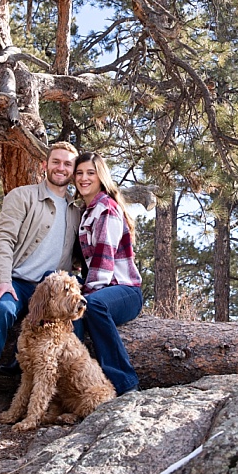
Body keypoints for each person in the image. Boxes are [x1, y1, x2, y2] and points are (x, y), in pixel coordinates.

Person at [0, 141, 84, 405]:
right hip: (17, 282)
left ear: (73, 171)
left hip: (51, 289)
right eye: (56, 162)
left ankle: (66, 398)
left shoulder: (76, 212)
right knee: (2, 312)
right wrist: (3, 281)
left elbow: (79, 254)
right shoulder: (22, 196)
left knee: (75, 324)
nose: (61, 168)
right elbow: (4, 239)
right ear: (45, 165)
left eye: (67, 164)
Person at [71, 151, 143, 395]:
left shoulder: (106, 210)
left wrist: (81, 296)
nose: (84, 178)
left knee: (92, 305)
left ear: (101, 177)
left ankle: (125, 383)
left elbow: (102, 265)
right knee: (63, 294)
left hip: (124, 291)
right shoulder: (86, 211)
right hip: (101, 288)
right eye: (79, 173)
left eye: (90, 173)